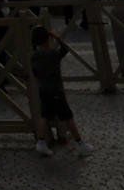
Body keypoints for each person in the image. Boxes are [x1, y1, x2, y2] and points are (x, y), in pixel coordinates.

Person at [30, 14, 86, 157]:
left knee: (44, 115)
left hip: (43, 89)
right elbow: (65, 49)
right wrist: (58, 38)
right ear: (47, 38)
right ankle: (80, 144)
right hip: (55, 89)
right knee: (68, 117)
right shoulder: (52, 55)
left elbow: (35, 73)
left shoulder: (34, 56)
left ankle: (41, 142)